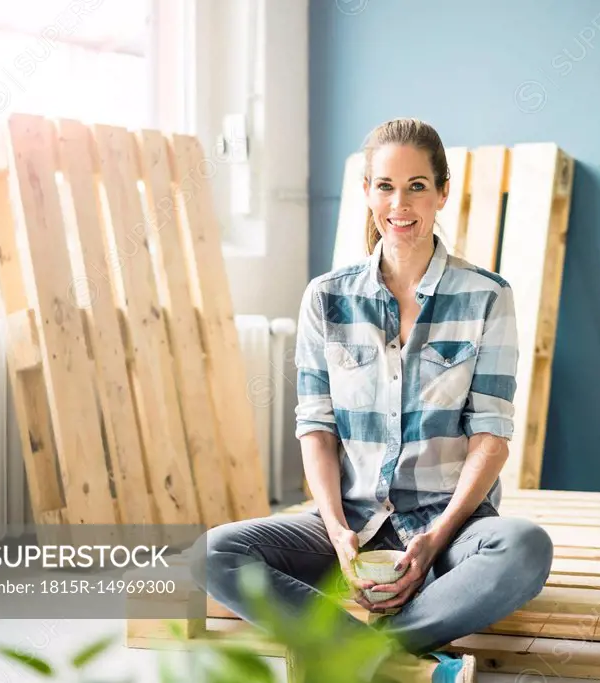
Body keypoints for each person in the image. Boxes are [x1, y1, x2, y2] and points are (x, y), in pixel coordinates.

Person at [191, 118, 554, 683]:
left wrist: (435, 540)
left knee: (525, 547)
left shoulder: (488, 296)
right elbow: (316, 427)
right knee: (211, 553)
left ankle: (366, 650)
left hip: (450, 524)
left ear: (441, 193)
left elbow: (491, 435)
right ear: (366, 192)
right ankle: (389, 660)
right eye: (385, 186)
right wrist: (337, 531)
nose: (400, 203)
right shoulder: (326, 297)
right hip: (352, 519)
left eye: (416, 186)